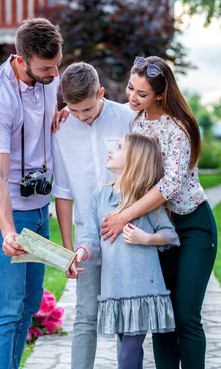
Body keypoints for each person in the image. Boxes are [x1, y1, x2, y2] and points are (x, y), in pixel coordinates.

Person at [101, 56, 217, 369]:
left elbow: (171, 184)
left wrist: (124, 216)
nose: (132, 97)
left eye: (141, 94)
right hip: (155, 228)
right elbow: (102, 109)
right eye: (130, 88)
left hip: (192, 225)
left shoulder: (177, 129)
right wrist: (65, 113)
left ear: (160, 95)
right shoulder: (137, 121)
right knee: (162, 317)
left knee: (186, 316)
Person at [0, 18, 62, 369]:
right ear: (20, 59)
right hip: (2, 210)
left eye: (57, 64)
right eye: (45, 68)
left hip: (39, 206)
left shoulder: (49, 77)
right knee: (6, 305)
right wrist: (7, 230)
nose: (54, 74)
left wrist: (62, 112)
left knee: (29, 303)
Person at [69, 133, 179, 369]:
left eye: (119, 147)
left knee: (126, 357)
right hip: (115, 291)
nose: (112, 150)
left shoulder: (146, 200)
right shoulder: (99, 198)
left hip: (142, 291)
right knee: (131, 355)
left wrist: (146, 238)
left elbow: (170, 236)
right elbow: (90, 240)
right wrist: (79, 254)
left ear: (134, 160)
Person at [52, 62, 136, 369]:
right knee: (85, 316)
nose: (81, 117)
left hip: (127, 234)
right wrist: (65, 247)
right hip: (87, 237)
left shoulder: (127, 119)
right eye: (74, 111)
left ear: (100, 93)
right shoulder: (61, 130)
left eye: (87, 109)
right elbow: (62, 191)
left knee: (126, 319)